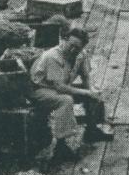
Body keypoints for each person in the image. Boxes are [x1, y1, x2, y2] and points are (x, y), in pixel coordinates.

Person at [29, 28, 114, 156]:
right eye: (71, 46)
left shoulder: (81, 55)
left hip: (60, 86)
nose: (73, 50)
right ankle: (60, 146)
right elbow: (60, 88)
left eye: (77, 48)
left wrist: (90, 92)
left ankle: (92, 129)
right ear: (65, 40)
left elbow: (85, 76)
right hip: (40, 89)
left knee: (94, 92)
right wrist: (85, 93)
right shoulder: (53, 57)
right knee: (65, 100)